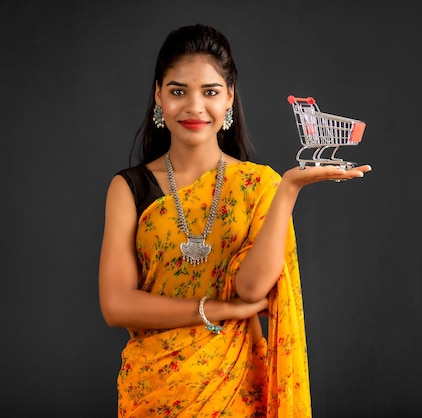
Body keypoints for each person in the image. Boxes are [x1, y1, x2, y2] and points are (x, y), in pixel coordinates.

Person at [98, 23, 371, 417]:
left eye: (209, 92)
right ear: (158, 95)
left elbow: (252, 287)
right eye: (178, 91)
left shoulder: (258, 185)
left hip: (237, 389)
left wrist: (289, 190)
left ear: (229, 98)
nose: (194, 106)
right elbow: (116, 304)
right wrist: (215, 310)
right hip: (154, 393)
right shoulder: (129, 188)